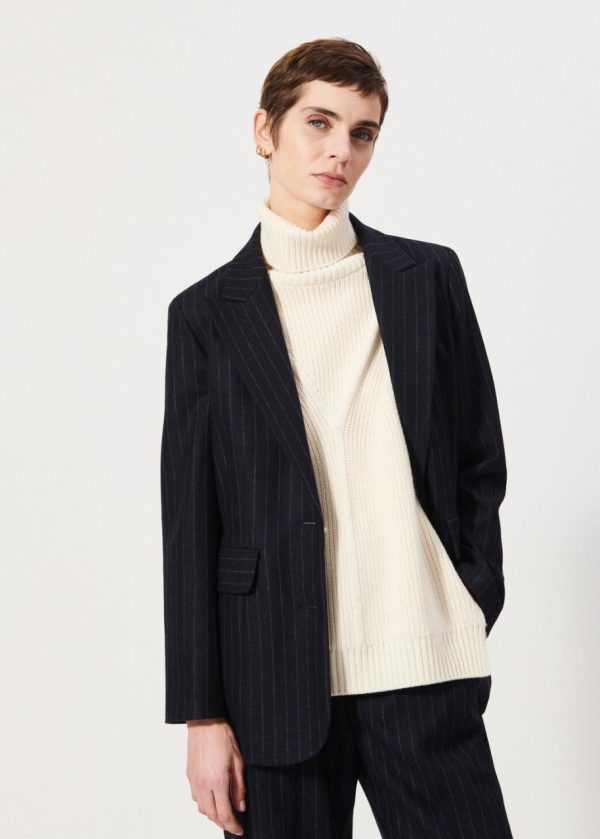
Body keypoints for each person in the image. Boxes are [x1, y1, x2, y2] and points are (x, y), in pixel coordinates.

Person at [160, 37, 514, 838]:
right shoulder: (205, 315)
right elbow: (191, 523)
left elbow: (478, 457)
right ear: (265, 130)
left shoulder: (428, 278)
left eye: (363, 132)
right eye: (318, 123)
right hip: (270, 679)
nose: (340, 150)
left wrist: (470, 590)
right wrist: (202, 714)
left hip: (423, 660)